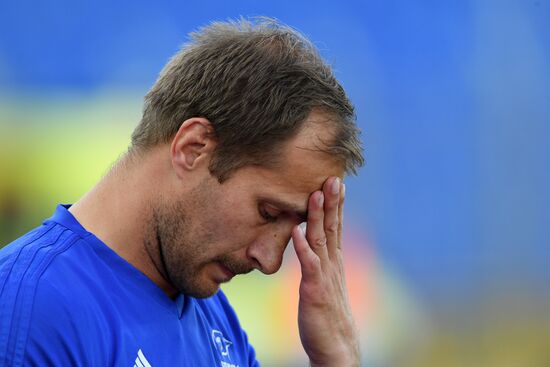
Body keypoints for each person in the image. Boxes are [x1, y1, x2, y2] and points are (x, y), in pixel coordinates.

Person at [0, 17, 364, 366]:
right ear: (193, 148)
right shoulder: (34, 309)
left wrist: (336, 359)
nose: (270, 262)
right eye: (267, 213)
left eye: (294, 225)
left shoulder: (216, 321)